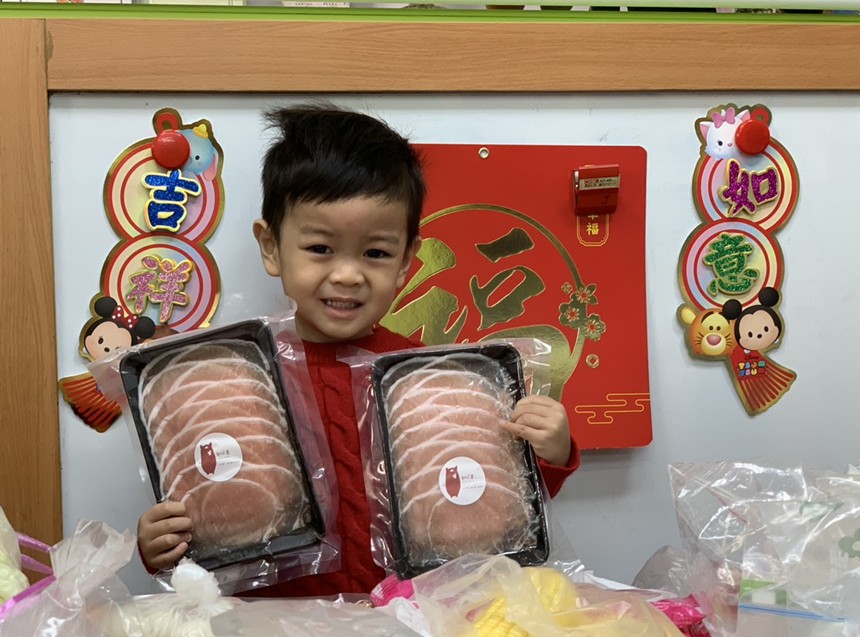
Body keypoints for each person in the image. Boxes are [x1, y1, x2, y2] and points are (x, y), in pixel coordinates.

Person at [138, 103, 580, 596]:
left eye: (375, 253)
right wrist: (165, 543)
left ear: (407, 260)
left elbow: (490, 505)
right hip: (274, 622)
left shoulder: (430, 381)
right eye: (320, 248)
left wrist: (550, 451)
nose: (348, 275)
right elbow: (210, 503)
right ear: (271, 246)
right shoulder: (236, 378)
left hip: (409, 619)